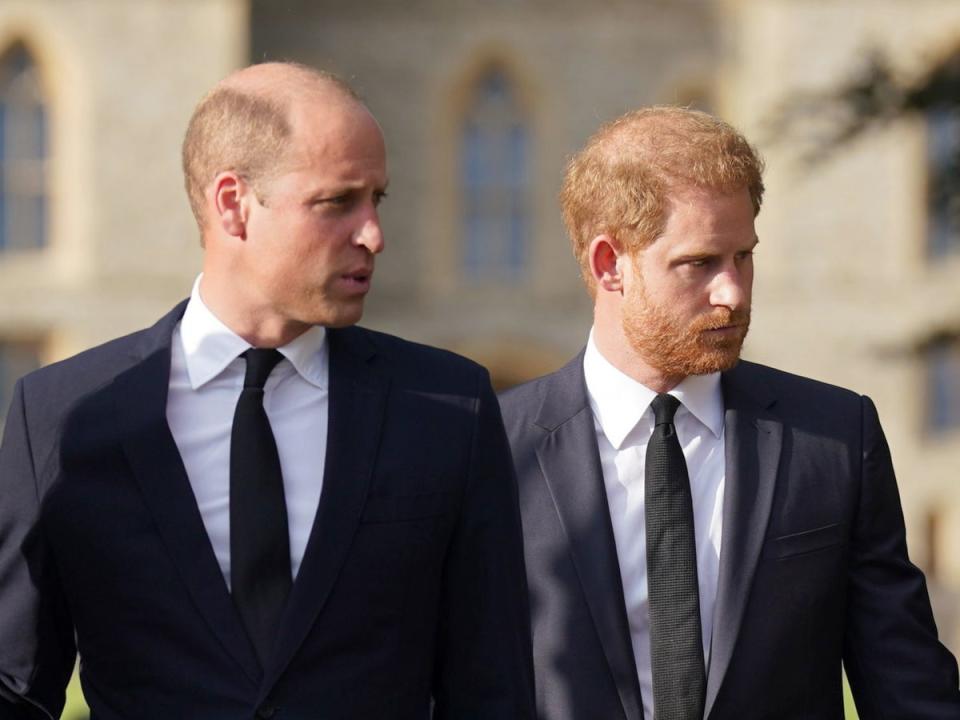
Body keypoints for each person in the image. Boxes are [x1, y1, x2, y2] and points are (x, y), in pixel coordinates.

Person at [0, 62, 533, 720]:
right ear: (234, 206)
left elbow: (493, 693)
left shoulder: (450, 408)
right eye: (338, 202)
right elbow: (16, 688)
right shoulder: (59, 415)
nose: (373, 234)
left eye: (377, 200)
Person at [499, 106, 960, 719]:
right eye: (700, 264)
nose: (734, 292)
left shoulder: (834, 437)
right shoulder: (493, 450)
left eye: (743, 256)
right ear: (610, 265)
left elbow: (906, 683)